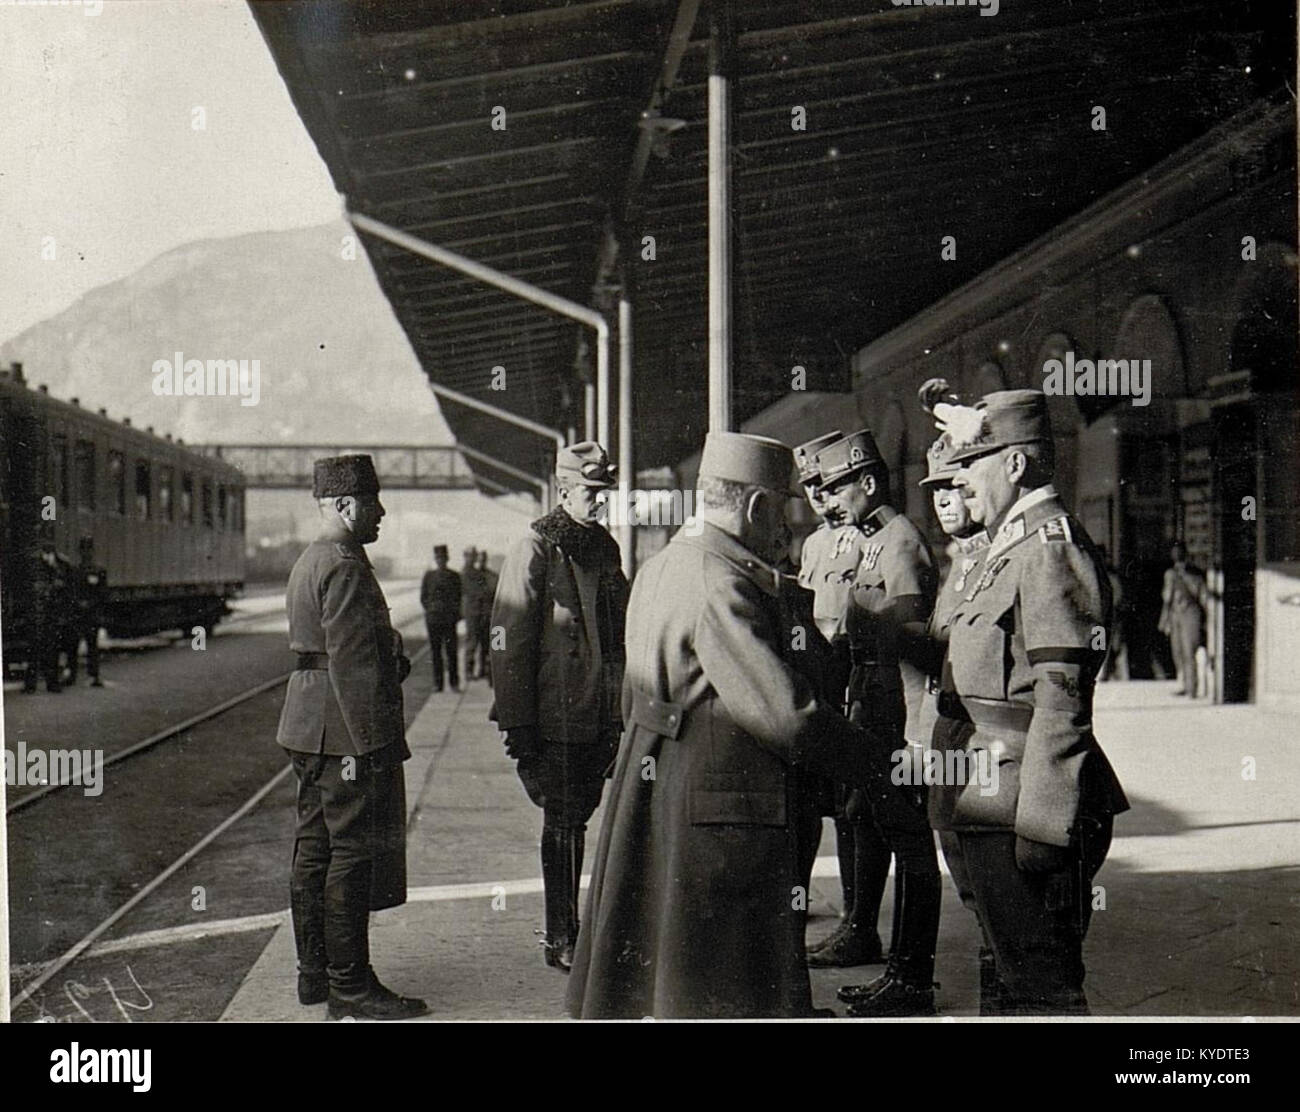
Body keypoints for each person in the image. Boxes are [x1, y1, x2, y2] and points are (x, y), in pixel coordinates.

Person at [566, 432, 895, 1019]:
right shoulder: (722, 583)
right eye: (784, 508)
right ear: (756, 508)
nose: (787, 528)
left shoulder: (663, 564)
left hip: (663, 780)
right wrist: (881, 763)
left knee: (678, 966)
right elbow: (786, 715)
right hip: (721, 800)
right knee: (727, 979)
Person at [934, 389, 1129, 1014]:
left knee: (1044, 989)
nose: (961, 482)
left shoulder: (1049, 548)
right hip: (992, 788)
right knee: (1013, 975)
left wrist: (1045, 824)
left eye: (974, 463)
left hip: (1025, 797)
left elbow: (1063, 696)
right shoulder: (1007, 548)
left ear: (1014, 465)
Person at [275, 454, 427, 1021]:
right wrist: (376, 746)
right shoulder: (344, 564)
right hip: (343, 731)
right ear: (344, 505)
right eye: (372, 501)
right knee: (353, 852)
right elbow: (356, 663)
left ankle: (314, 976)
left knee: (314, 847)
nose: (381, 511)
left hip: (308, 724)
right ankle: (351, 987)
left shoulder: (310, 560)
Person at [814, 428, 941, 1016]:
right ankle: (863, 930)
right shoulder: (870, 540)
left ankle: (912, 975)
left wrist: (915, 736)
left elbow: (914, 645)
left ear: (867, 482)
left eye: (839, 487)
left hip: (894, 707)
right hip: (867, 697)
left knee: (908, 837)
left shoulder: (900, 543)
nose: (830, 498)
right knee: (864, 819)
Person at [490, 441, 629, 972]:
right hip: (558, 714)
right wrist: (518, 723)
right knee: (565, 821)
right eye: (592, 493)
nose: (600, 503)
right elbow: (508, 640)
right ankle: (560, 936)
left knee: (584, 818)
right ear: (565, 489)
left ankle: (575, 931)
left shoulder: (605, 548)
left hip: (602, 710)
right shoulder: (536, 546)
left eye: (604, 494)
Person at [791, 430, 864, 952]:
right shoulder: (814, 544)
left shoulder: (866, 539)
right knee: (821, 810)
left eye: (824, 483)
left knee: (854, 815)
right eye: (810, 486)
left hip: (854, 687)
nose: (818, 495)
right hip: (820, 688)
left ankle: (858, 919)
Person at [1158, 541, 1206, 697]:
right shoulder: (1170, 574)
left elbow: (1200, 593)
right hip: (1175, 614)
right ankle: (1185, 683)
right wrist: (1164, 619)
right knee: (1177, 651)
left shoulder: (1194, 573)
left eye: (1179, 553)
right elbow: (1167, 599)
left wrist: (1185, 575)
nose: (1176, 556)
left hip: (1190, 612)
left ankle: (1193, 687)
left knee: (1189, 650)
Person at [24, 541, 68, 694]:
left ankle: (51, 683)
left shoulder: (60, 563)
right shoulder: (35, 563)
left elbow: (64, 586)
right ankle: (31, 684)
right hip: (38, 614)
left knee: (51, 650)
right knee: (34, 650)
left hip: (51, 614)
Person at [65, 536, 107, 687]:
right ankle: (72, 675)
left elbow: (102, 594)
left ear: (92, 551)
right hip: (77, 614)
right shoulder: (74, 571)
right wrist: (78, 603)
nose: (86, 553)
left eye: (89, 550)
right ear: (80, 552)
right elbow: (70, 592)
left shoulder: (99, 571)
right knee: (73, 647)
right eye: (84, 550)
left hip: (91, 614)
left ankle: (94, 675)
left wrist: (89, 604)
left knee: (92, 647)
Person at [420, 544, 461, 692]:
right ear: (435, 559)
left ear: (447, 559)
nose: (440, 561)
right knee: (435, 653)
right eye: (438, 558)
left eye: (443, 558)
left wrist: (455, 614)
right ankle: (438, 684)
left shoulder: (454, 576)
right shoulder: (429, 576)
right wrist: (432, 610)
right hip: (433, 620)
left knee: (451, 652)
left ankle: (454, 683)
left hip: (449, 620)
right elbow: (423, 597)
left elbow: (459, 597)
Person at [462, 549, 495, 682]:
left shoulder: (484, 575)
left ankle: (483, 670)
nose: (478, 561)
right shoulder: (467, 574)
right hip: (473, 613)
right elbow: (477, 591)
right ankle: (469, 671)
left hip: (484, 613)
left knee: (485, 643)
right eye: (476, 558)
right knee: (472, 642)